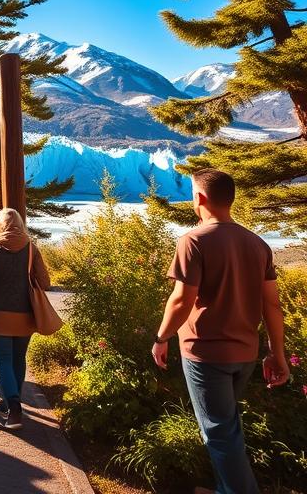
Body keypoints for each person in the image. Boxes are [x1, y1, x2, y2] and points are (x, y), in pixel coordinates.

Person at [152, 169, 288, 494]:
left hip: (205, 353)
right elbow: (272, 306)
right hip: (245, 355)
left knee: (218, 433)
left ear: (199, 199)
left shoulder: (193, 241)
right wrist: (277, 353)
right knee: (227, 429)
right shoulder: (258, 244)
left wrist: (161, 338)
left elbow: (182, 300)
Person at [0, 208, 50, 430]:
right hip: (25, 313)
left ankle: (14, 408)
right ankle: (11, 400)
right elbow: (45, 281)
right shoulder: (31, 248)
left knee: (3, 360)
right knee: (18, 359)